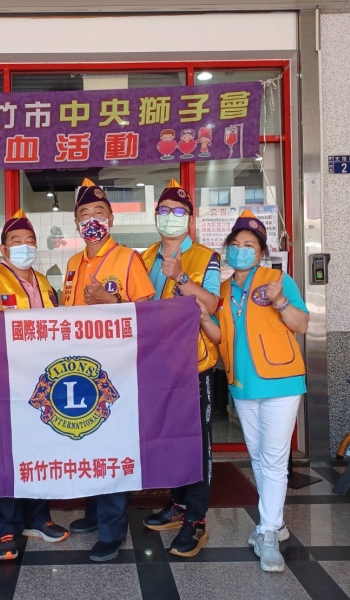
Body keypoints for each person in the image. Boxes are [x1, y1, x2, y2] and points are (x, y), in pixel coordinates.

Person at [197, 208, 309, 573]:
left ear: (261, 252)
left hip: (281, 381)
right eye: (236, 243)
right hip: (243, 383)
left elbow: (302, 324)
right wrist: (203, 318)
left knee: (274, 458)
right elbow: (220, 336)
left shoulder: (278, 279)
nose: (241, 250)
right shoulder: (223, 289)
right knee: (259, 457)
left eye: (249, 245)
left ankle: (267, 532)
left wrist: (280, 301)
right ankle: (274, 521)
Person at [63, 178, 156, 562]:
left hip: (115, 369)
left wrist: (112, 299)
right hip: (78, 367)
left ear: (111, 219)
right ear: (76, 222)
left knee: (113, 445)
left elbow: (147, 314)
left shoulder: (128, 259)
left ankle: (112, 530)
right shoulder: (73, 264)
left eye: (98, 213)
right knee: (87, 440)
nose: (92, 220)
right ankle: (93, 512)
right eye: (84, 214)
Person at [0, 210, 69, 560]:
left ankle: (38, 517)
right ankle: (5, 527)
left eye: (29, 241)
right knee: (3, 454)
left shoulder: (44, 282)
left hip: (40, 382)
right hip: (1, 381)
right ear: (3, 248)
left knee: (39, 449)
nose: (24, 246)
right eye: (16, 241)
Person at [140, 179, 220, 557]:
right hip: (157, 365)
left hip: (194, 364)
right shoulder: (144, 258)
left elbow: (212, 303)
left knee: (197, 441)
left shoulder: (205, 257)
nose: (170, 217)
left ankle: (197, 519)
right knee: (170, 438)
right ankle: (178, 504)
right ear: (155, 216)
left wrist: (181, 277)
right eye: (164, 210)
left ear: (189, 219)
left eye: (178, 211)